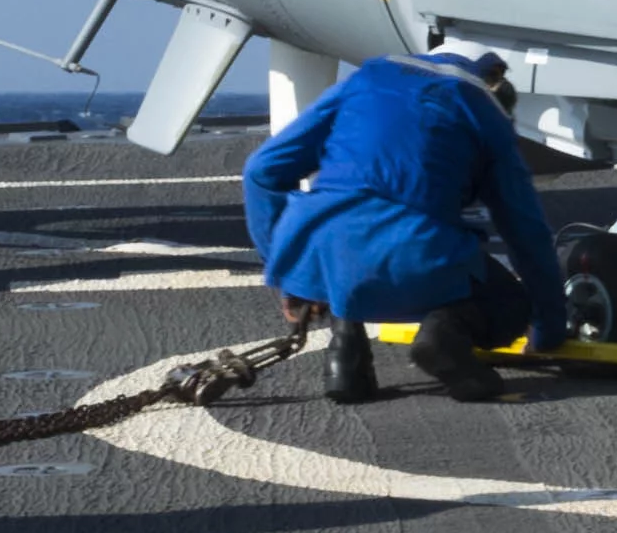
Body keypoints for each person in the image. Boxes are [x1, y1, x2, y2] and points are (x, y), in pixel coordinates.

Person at [241, 45, 568, 404]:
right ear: (491, 76)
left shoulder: (367, 78)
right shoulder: (485, 111)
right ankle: (443, 337)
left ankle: (346, 361)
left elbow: (261, 172)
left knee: (345, 243)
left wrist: (289, 273)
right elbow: (526, 231)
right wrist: (549, 327)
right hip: (416, 254)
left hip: (320, 247)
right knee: (508, 303)